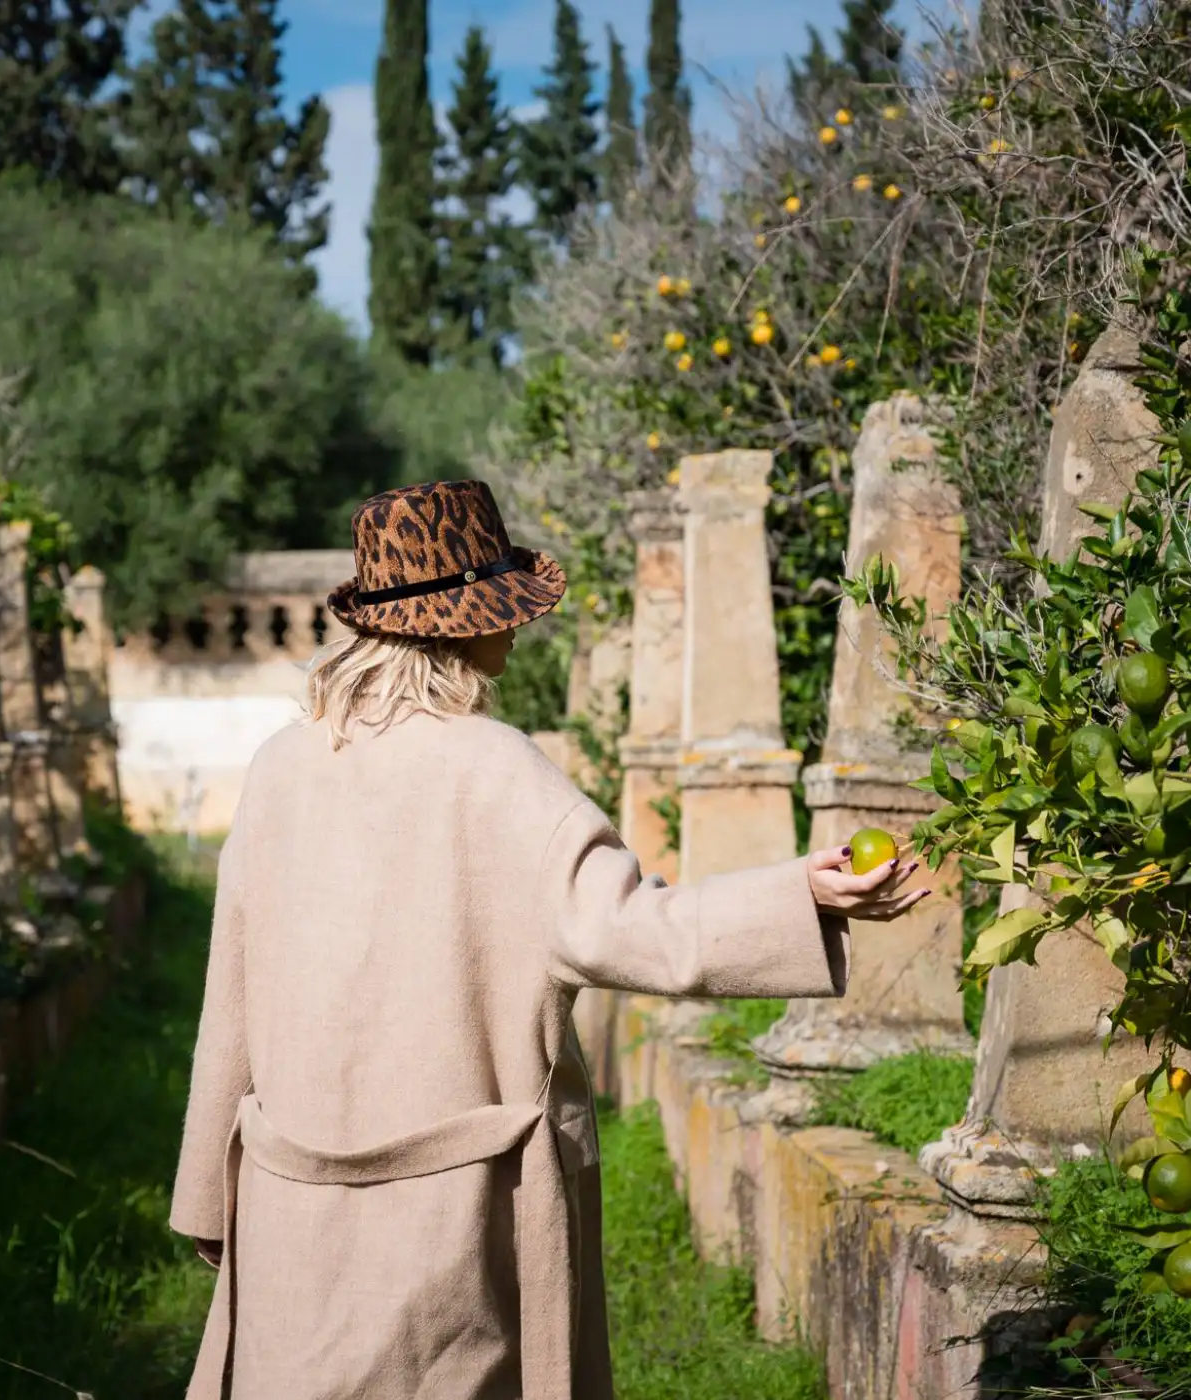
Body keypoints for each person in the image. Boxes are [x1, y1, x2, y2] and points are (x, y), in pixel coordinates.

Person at [169, 479, 926, 1400]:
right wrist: (802, 897)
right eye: (505, 609)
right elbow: (636, 930)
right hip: (458, 1224)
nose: (518, 631)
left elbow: (230, 993)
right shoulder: (497, 772)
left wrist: (210, 1193)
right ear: (462, 624)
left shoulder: (281, 767)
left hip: (292, 1212)